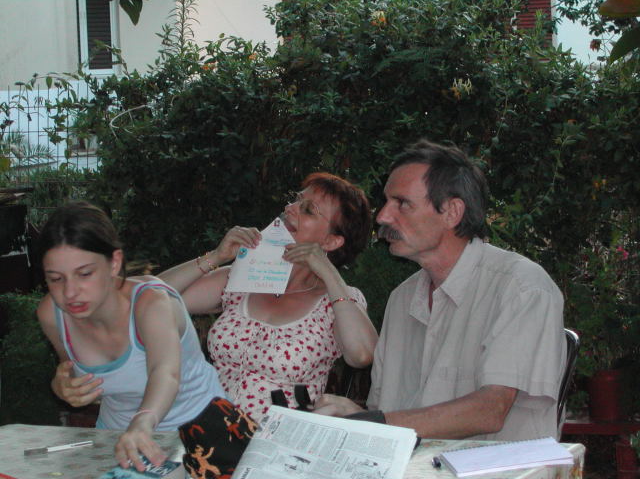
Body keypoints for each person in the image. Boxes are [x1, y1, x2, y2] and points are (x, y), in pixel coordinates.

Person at [314, 139, 566, 442]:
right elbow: (387, 412)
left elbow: (491, 410)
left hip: (494, 465)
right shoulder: (402, 298)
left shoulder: (521, 287)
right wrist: (352, 415)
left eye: (402, 203)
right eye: (386, 201)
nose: (382, 216)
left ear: (452, 212)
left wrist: (370, 422)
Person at [160, 172, 378, 421]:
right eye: (295, 199)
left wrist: (329, 274)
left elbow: (362, 355)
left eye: (308, 210)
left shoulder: (337, 300)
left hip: (281, 437)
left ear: (331, 241)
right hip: (209, 431)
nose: (290, 208)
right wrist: (217, 256)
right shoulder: (243, 277)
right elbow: (153, 297)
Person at [36, 201, 227, 472]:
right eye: (56, 279)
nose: (70, 292)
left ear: (114, 263)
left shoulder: (151, 303)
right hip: (118, 439)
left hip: (202, 434)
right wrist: (63, 387)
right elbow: (80, 382)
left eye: (84, 274)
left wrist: (143, 422)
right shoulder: (51, 314)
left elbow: (165, 373)